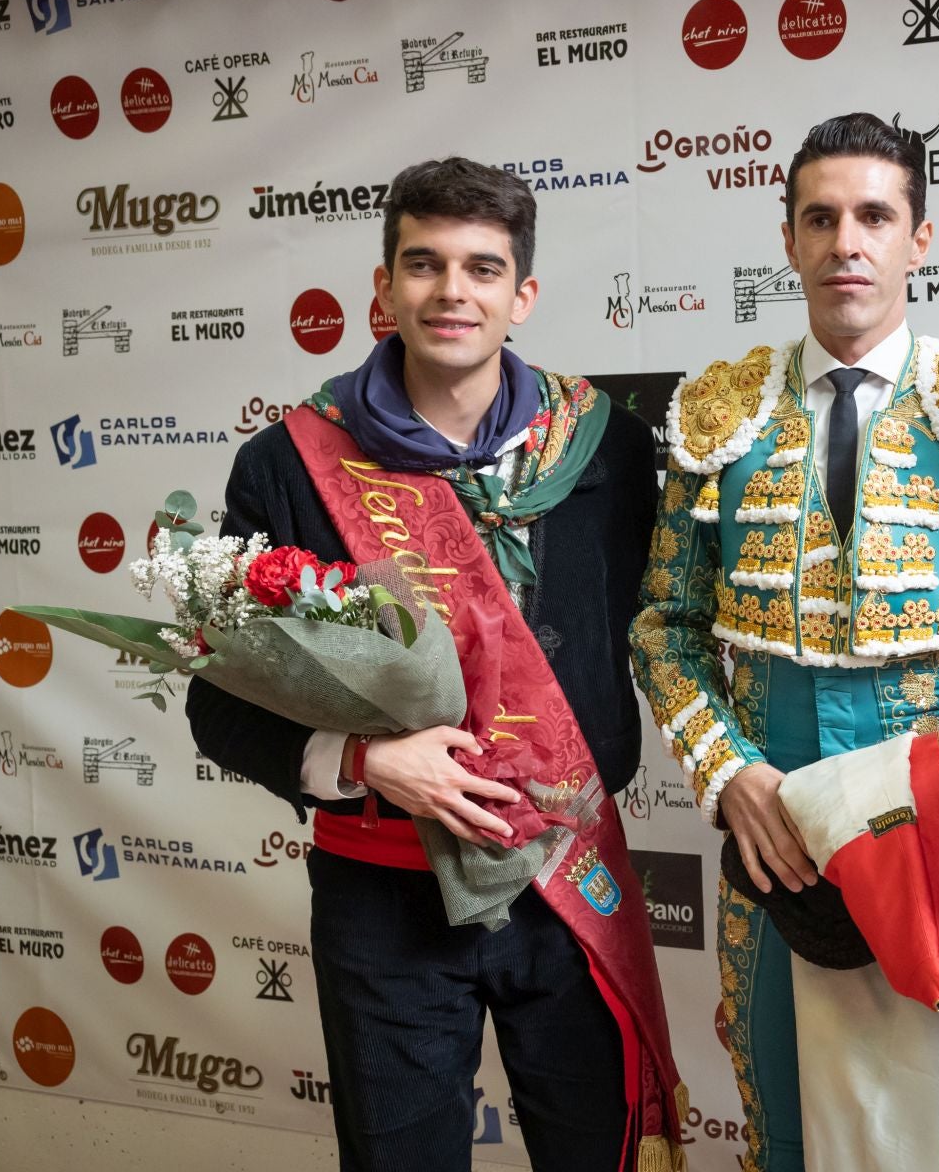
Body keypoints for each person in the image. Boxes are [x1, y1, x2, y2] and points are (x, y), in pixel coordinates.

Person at [187, 157, 683, 1172]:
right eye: (424, 264)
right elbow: (217, 705)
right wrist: (366, 762)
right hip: (383, 896)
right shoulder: (287, 463)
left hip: (568, 873)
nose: (452, 290)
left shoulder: (610, 451)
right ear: (384, 287)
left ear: (522, 294)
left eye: (482, 268)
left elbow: (667, 629)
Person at [630, 113, 939, 1171]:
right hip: (772, 805)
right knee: (785, 1094)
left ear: (919, 239)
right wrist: (728, 769)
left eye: (875, 216)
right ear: (787, 238)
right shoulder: (719, 409)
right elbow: (666, 623)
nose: (847, 242)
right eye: (821, 218)